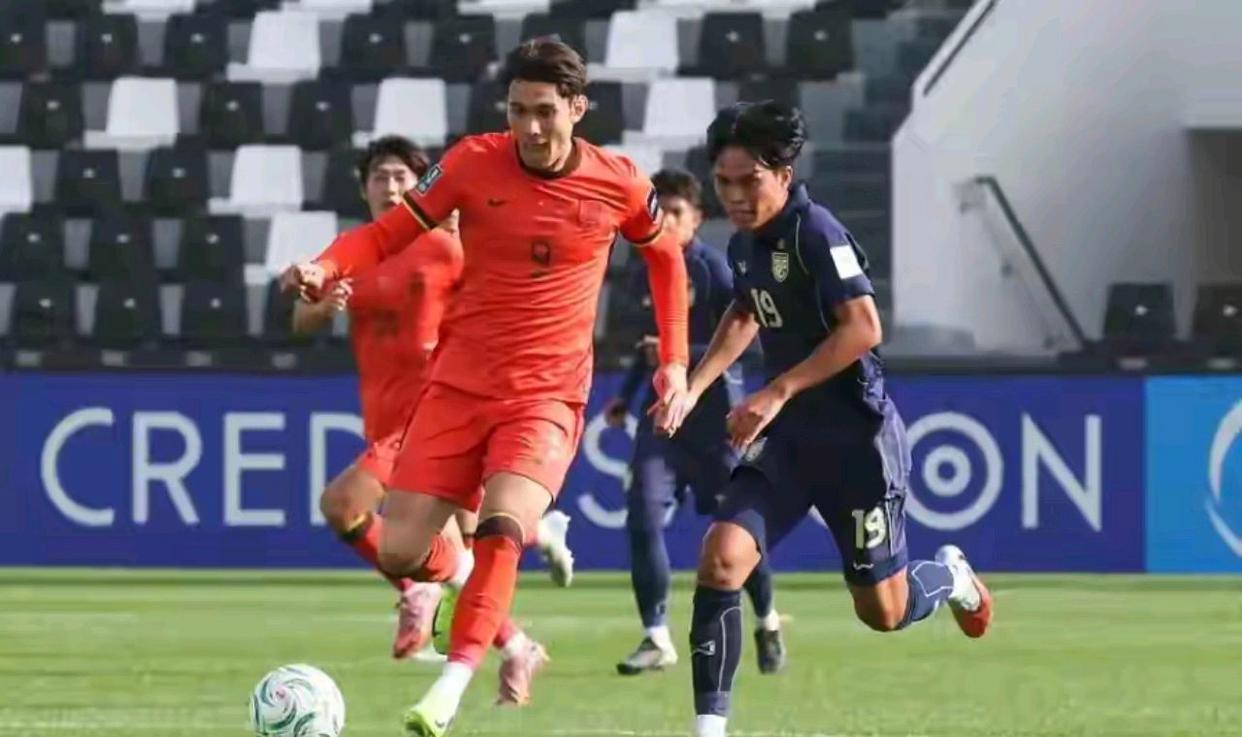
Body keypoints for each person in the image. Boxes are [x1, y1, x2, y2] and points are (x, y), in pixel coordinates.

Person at [281, 38, 691, 737]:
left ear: (578, 108)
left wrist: (674, 361)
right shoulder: (473, 162)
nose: (529, 127)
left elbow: (666, 258)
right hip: (458, 387)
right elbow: (383, 236)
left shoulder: (618, 182)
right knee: (400, 551)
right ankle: (465, 592)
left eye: (544, 111)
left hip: (546, 393)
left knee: (502, 527)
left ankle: (451, 684)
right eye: (517, 110)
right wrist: (323, 267)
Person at [660, 101, 994, 737]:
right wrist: (693, 386)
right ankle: (709, 731)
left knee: (884, 612)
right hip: (788, 444)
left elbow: (864, 328)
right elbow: (745, 311)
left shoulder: (817, 232)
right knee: (721, 558)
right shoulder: (744, 243)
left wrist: (777, 390)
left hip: (857, 445)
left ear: (783, 175)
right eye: (723, 183)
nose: (735, 196)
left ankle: (950, 577)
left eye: (748, 181)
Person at [290, 136, 571, 703]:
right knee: (457, 556)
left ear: (419, 185)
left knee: (343, 505)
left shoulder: (446, 245)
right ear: (364, 188)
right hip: (385, 416)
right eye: (379, 177)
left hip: (433, 415)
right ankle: (518, 643)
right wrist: (319, 307)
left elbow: (501, 295)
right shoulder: (357, 252)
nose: (390, 187)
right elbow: (301, 320)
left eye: (401, 177)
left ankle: (418, 592)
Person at [605, 169, 785, 677]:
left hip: (716, 425)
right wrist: (625, 397)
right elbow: (651, 346)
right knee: (642, 516)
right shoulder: (646, 267)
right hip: (663, 421)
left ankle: (767, 620)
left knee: (736, 536)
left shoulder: (715, 272)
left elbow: (749, 339)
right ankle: (656, 636)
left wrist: (689, 351)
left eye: (676, 212)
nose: (665, 221)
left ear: (698, 219)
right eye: (658, 211)